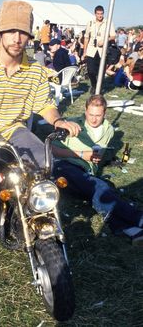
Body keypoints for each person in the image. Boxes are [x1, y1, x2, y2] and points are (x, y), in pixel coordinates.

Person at [0, 0, 81, 246]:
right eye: (11, 31)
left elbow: (45, 105)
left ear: (30, 36)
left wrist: (58, 120)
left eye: (23, 32)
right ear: (0, 34)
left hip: (14, 129)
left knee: (43, 159)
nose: (17, 38)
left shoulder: (35, 70)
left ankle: (34, 207)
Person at [52, 95, 143, 244]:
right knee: (100, 187)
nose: (94, 119)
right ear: (85, 111)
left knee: (96, 192)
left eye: (98, 115)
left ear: (105, 114)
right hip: (64, 167)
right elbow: (52, 149)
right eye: (91, 114)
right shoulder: (71, 124)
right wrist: (81, 155)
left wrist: (96, 160)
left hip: (86, 171)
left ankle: (126, 228)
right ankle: (138, 218)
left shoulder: (108, 130)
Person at [82, 5, 115, 94]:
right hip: (91, 50)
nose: (100, 16)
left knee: (101, 71)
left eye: (101, 14)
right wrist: (84, 52)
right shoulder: (90, 22)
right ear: (95, 14)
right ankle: (94, 85)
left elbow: (113, 35)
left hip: (102, 51)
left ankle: (98, 89)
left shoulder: (108, 22)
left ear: (103, 13)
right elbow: (86, 37)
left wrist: (105, 40)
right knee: (91, 71)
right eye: (98, 14)